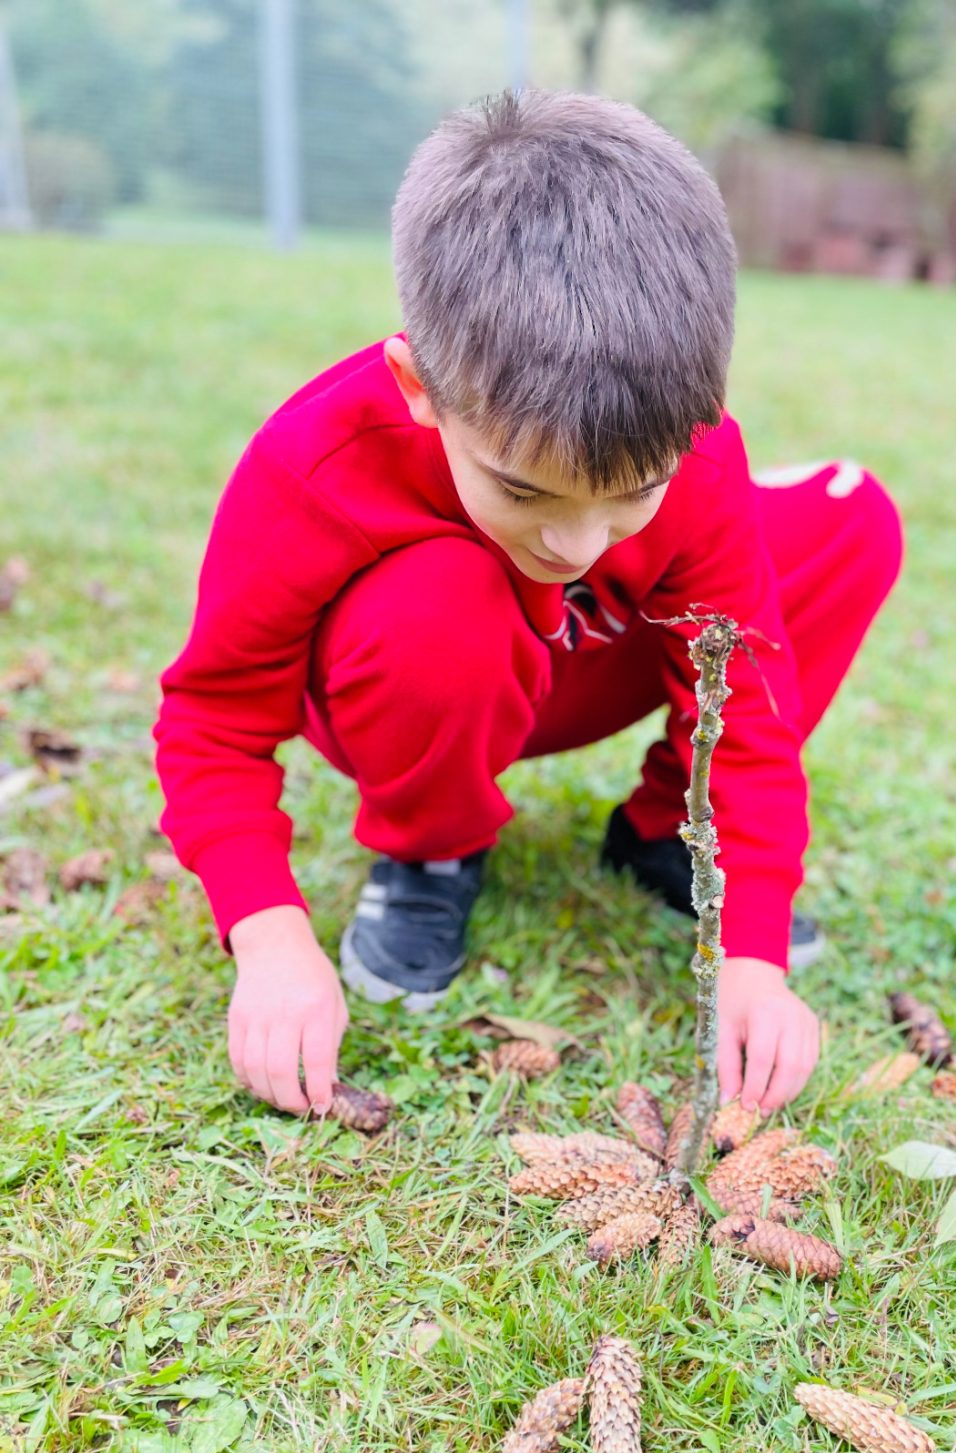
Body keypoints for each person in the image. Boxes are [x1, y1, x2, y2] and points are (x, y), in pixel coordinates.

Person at [154, 90, 903, 1123]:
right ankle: (431, 844)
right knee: (444, 590)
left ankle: (656, 837)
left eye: (632, 492)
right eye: (524, 490)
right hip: (413, 669)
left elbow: (752, 710)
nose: (577, 542)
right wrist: (268, 932)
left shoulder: (699, 462)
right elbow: (213, 722)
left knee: (847, 517)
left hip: (577, 661)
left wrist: (753, 952)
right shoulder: (314, 464)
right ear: (421, 388)